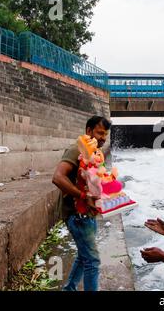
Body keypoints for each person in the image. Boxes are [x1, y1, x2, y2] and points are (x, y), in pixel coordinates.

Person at [52, 115, 112, 291]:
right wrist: (83, 196)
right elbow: (57, 177)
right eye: (100, 133)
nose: (103, 138)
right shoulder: (75, 150)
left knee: (84, 256)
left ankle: (69, 288)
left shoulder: (95, 153)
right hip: (77, 214)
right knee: (93, 261)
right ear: (88, 131)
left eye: (105, 135)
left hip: (89, 213)